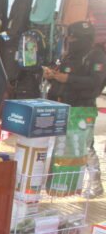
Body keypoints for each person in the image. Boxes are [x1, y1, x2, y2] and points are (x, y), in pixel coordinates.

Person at [43, 20, 106, 197]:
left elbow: (95, 83)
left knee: (85, 147)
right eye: (69, 36)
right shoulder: (68, 55)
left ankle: (95, 184)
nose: (69, 39)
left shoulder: (96, 56)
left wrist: (68, 79)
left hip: (81, 110)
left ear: (83, 38)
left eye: (73, 37)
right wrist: (52, 75)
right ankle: (57, 182)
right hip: (60, 107)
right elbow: (60, 76)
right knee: (58, 146)